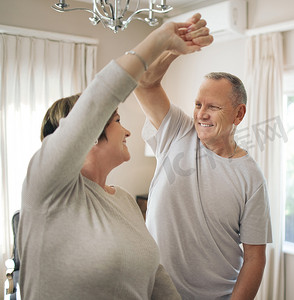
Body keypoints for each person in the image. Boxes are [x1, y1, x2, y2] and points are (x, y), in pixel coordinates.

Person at [17, 15, 213, 300]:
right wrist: (159, 41)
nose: (128, 131)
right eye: (118, 120)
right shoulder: (47, 187)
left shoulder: (123, 200)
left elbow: (155, 278)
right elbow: (100, 97)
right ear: (92, 130)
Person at [135, 18, 273, 300]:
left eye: (213, 107)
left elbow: (255, 258)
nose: (201, 114)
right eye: (198, 104)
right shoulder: (176, 131)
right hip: (152, 292)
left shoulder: (251, 177)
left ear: (238, 114)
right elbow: (144, 84)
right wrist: (174, 50)